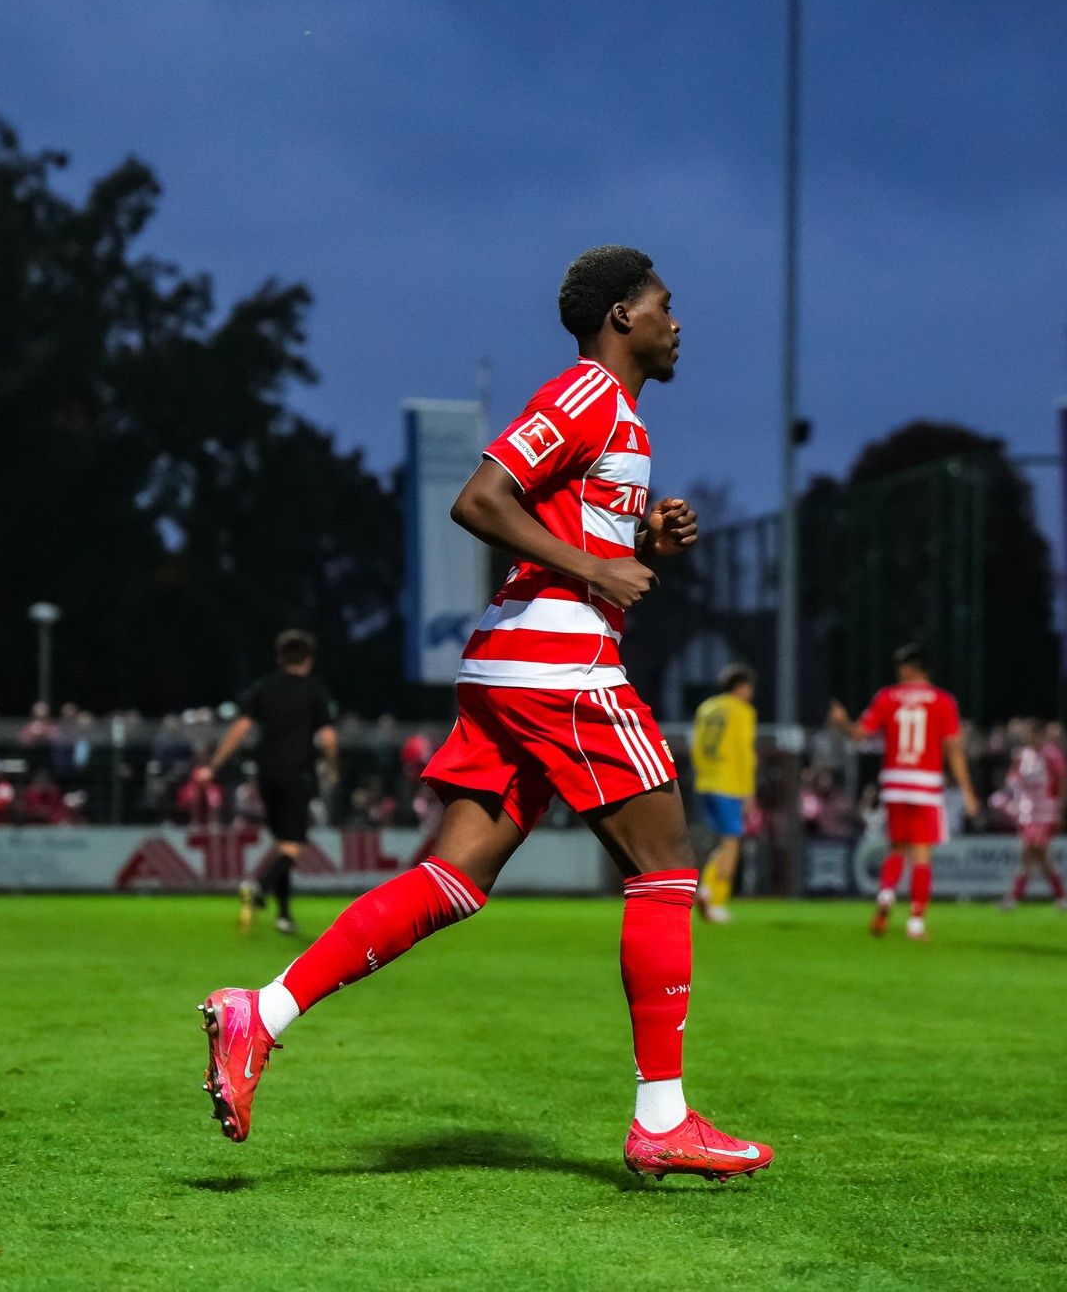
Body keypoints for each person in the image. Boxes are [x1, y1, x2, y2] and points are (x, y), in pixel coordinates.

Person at [195, 246, 771, 1181]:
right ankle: (661, 1115)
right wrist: (596, 567)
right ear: (622, 316)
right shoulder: (584, 394)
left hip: (513, 662)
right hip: (558, 663)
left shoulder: (618, 417)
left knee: (454, 877)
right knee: (668, 864)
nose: (679, 321)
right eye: (667, 304)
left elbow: (567, 532)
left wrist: (636, 538)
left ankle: (260, 1012)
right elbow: (480, 498)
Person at [827, 643, 981, 940]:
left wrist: (843, 722)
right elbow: (953, 749)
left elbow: (859, 734)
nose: (898, 672)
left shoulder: (887, 697)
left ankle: (885, 896)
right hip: (925, 783)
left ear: (911, 668)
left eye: (901, 667)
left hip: (895, 782)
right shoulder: (943, 701)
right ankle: (915, 923)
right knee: (921, 854)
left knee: (897, 847)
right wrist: (968, 792)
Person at [207, 630, 340, 935]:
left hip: (266, 775)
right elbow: (329, 737)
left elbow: (240, 729)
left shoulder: (263, 689)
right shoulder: (314, 691)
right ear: (309, 660)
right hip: (298, 774)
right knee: (294, 846)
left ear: (281, 658)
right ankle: (258, 886)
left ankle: (283, 914)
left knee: (282, 843)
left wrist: (214, 765)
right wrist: (332, 768)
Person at [690, 663, 758, 923]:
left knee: (721, 843)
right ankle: (714, 898)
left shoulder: (706, 708)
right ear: (741, 687)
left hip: (705, 781)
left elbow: (696, 746)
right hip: (729, 783)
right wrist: (749, 793)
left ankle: (706, 889)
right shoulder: (741, 711)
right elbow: (744, 753)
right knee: (732, 844)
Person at [1000, 720, 1067, 911]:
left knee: (1031, 850)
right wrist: (1010, 801)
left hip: (1045, 810)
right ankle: (1061, 896)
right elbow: (1013, 779)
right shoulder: (1023, 755)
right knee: (1038, 854)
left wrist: (1060, 810)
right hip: (1027, 811)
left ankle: (1015, 896)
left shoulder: (1052, 755)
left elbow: (1063, 782)